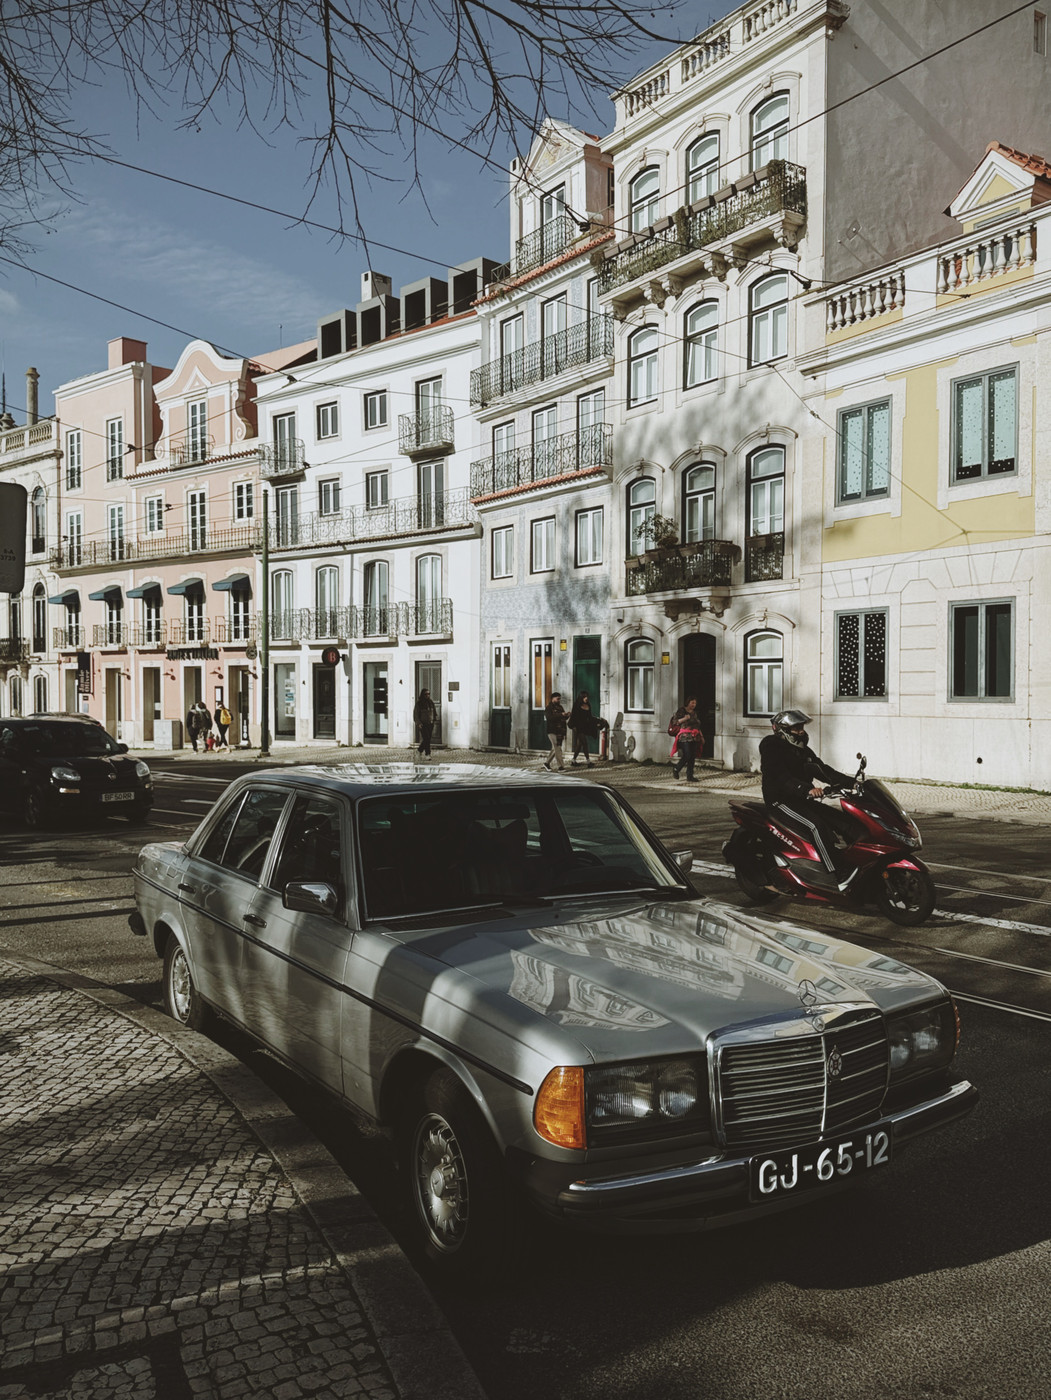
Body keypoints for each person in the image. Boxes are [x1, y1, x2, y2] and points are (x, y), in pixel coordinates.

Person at [759, 709, 855, 880]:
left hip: (802, 800)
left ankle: (855, 861)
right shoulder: (771, 746)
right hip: (780, 802)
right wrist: (806, 789)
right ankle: (837, 873)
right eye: (796, 728)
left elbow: (824, 771)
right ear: (783, 729)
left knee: (845, 821)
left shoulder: (803, 751)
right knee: (815, 826)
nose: (801, 731)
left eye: (802, 727)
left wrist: (853, 783)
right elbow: (780, 776)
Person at [668, 696, 704, 782]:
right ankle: (676, 768)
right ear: (688, 702)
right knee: (687, 755)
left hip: (694, 737)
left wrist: (702, 737)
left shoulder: (694, 713)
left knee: (692, 757)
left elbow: (697, 726)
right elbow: (675, 722)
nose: (694, 705)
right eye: (692, 703)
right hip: (684, 737)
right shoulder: (681, 711)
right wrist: (685, 718)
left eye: (695, 703)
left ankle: (690, 776)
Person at [568, 691, 598, 767]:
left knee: (579, 744)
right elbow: (573, 717)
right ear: (581, 697)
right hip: (577, 727)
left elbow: (590, 717)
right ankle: (588, 762)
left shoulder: (588, 705)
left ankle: (573, 760)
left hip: (584, 727)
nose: (586, 698)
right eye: (584, 697)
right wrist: (574, 727)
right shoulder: (577, 705)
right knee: (584, 743)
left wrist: (597, 721)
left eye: (587, 697)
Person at [543, 692, 567, 771]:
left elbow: (562, 718)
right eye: (558, 698)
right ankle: (560, 767)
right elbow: (549, 718)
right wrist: (561, 715)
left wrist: (566, 716)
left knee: (555, 748)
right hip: (552, 730)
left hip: (560, 731)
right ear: (553, 699)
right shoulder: (549, 708)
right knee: (558, 747)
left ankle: (546, 763)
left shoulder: (560, 707)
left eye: (560, 698)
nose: (559, 700)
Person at [413, 688, 437, 756]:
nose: (427, 695)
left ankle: (419, 750)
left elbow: (434, 712)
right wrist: (418, 723)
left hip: (430, 723)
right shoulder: (419, 704)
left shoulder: (431, 702)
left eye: (429, 694)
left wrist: (434, 719)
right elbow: (416, 714)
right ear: (423, 694)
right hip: (422, 724)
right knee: (426, 738)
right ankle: (427, 754)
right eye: (426, 694)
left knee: (428, 739)